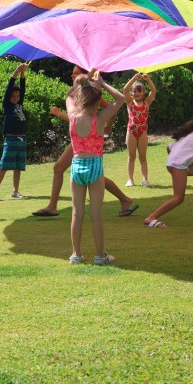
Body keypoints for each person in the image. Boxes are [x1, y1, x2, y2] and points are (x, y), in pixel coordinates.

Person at [32, 65, 137, 217]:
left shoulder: (90, 92)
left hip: (90, 140)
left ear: (85, 74)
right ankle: (124, 199)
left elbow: (109, 107)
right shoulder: (79, 92)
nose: (72, 76)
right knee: (70, 170)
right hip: (80, 140)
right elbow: (76, 120)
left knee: (70, 170)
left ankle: (53, 206)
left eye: (75, 74)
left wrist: (107, 126)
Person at [67, 69, 125, 265]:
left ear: (80, 98)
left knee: (77, 213)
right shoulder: (99, 119)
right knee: (96, 214)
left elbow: (68, 96)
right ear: (98, 101)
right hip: (95, 167)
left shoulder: (73, 116)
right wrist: (102, 83)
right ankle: (100, 255)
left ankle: (76, 254)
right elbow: (121, 99)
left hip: (76, 166)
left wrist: (80, 83)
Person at [143, 111, 193, 228]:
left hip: (175, 164)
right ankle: (150, 218)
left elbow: (169, 147)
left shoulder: (192, 133)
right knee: (178, 198)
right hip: (178, 165)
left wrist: (175, 161)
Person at [0, 62, 29, 202]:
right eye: (13, 96)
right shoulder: (7, 105)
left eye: (17, 96)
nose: (16, 98)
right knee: (3, 166)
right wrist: (16, 72)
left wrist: (23, 73)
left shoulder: (19, 104)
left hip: (21, 138)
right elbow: (9, 87)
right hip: (10, 139)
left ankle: (15, 191)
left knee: (18, 166)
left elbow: (22, 88)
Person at [123, 73, 156, 187]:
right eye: (134, 91)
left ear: (143, 93)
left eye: (138, 91)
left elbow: (153, 90)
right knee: (131, 156)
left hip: (143, 132)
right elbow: (125, 89)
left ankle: (145, 180)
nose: (136, 93)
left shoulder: (146, 103)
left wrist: (148, 79)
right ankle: (130, 180)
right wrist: (134, 78)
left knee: (143, 157)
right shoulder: (130, 102)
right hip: (131, 132)